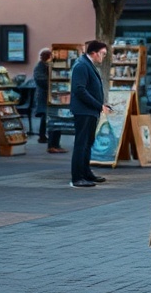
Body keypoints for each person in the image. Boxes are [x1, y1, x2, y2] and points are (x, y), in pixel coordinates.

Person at [69, 40, 112, 188]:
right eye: (103, 54)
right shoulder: (81, 65)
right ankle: (77, 177)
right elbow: (79, 89)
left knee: (88, 143)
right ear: (94, 53)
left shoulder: (87, 65)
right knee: (81, 144)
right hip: (84, 111)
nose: (103, 57)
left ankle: (86, 173)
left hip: (90, 111)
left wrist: (100, 105)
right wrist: (98, 105)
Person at [33, 47, 66, 152]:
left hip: (49, 95)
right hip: (44, 96)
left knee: (49, 117)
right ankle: (44, 137)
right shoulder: (40, 67)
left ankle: (50, 140)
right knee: (46, 116)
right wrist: (52, 83)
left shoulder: (47, 66)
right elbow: (40, 80)